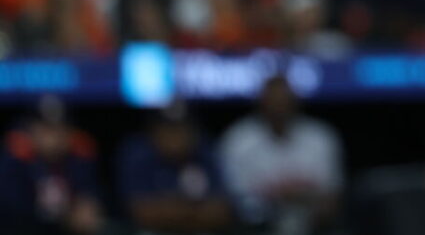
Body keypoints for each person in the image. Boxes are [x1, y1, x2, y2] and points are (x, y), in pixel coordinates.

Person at [219, 74, 345, 233]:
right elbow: (233, 201)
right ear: (261, 104)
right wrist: (282, 198)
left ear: (295, 103)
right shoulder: (238, 140)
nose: (279, 108)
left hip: (312, 225)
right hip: (258, 227)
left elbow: (332, 197)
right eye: (274, 102)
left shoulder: (320, 137)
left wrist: (297, 198)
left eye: (284, 102)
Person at [117, 101, 234, 234]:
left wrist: (168, 210)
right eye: (169, 130)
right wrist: (194, 210)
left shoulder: (204, 153)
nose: (176, 138)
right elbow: (141, 213)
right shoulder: (139, 155)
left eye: (182, 129)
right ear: (154, 132)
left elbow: (222, 212)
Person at [0, 96, 104, 235]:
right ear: (31, 130)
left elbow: (89, 194)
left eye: (61, 129)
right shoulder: (15, 157)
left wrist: (88, 207)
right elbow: (11, 210)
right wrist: (65, 215)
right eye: (46, 130)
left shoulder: (80, 155)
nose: (54, 138)